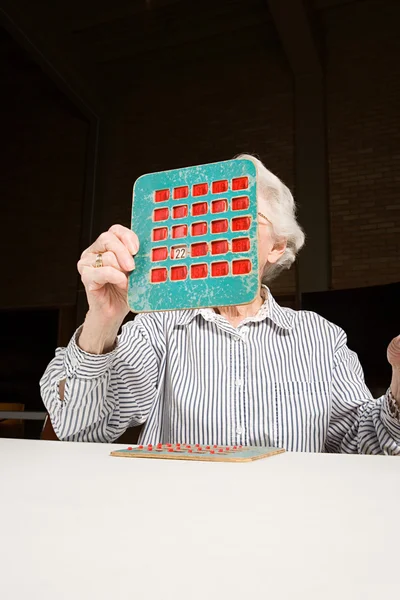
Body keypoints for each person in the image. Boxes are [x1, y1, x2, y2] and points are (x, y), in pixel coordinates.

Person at [40, 154, 400, 453]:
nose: (217, 227)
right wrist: (102, 318)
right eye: (208, 213)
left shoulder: (321, 338)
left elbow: (366, 442)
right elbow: (76, 430)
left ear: (276, 246)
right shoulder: (160, 326)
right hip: (175, 520)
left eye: (241, 213)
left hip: (288, 522)